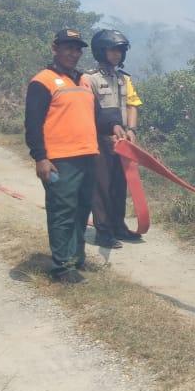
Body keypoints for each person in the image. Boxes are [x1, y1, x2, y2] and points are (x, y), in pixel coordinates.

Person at [23, 28, 100, 284]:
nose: (73, 53)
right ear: (55, 48)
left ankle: (76, 258)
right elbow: (33, 124)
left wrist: (114, 128)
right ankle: (62, 267)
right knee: (62, 212)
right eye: (68, 48)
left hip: (88, 155)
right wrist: (40, 158)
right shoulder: (42, 81)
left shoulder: (84, 81)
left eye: (77, 49)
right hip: (60, 160)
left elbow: (96, 117)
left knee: (82, 210)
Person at [83, 29, 144, 248]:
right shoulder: (89, 79)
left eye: (120, 51)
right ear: (101, 51)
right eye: (112, 50)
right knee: (101, 186)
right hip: (99, 140)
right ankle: (103, 232)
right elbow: (87, 110)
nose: (117, 54)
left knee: (120, 185)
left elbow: (132, 104)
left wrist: (132, 130)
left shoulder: (123, 79)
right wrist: (108, 128)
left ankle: (119, 226)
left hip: (122, 141)